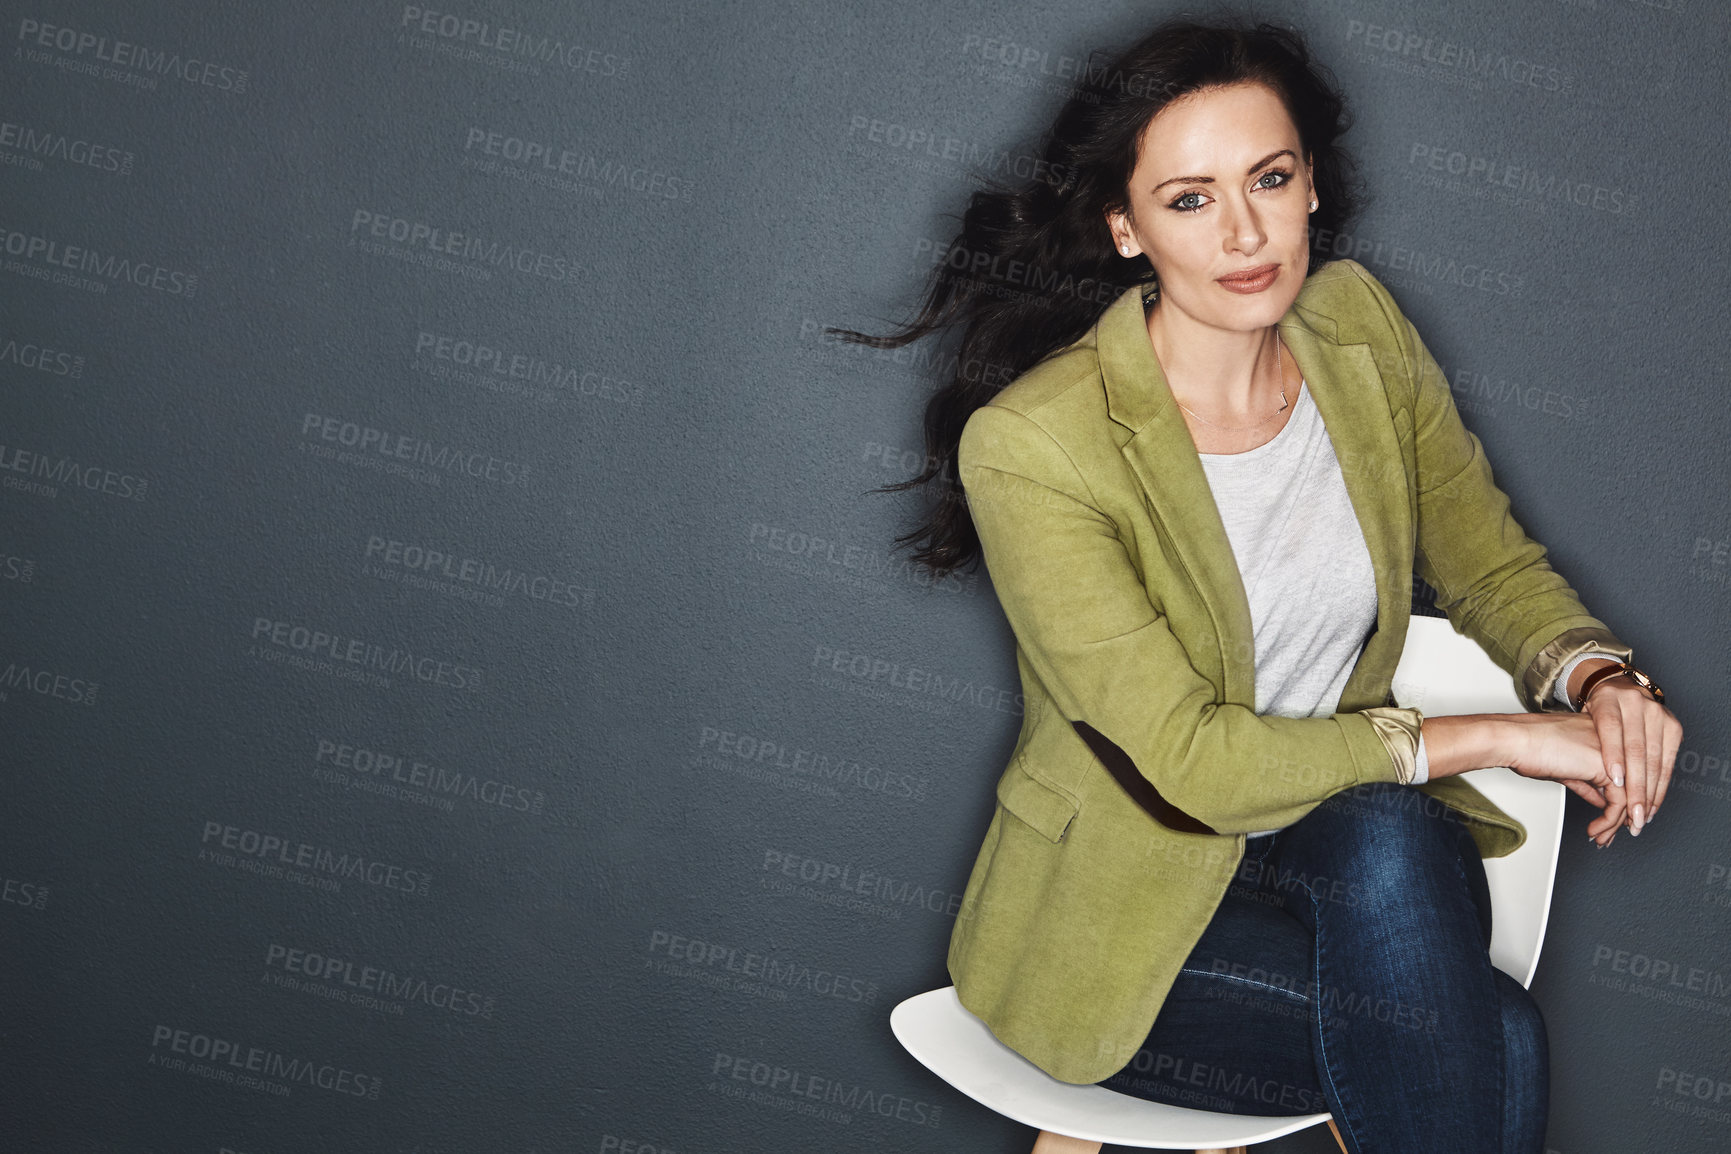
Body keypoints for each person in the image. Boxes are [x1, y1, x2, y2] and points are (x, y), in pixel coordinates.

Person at [833, 16, 1683, 1154]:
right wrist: (1511, 737)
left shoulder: (1360, 329)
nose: (1244, 232)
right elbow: (1190, 757)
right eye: (1189, 200)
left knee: (1392, 832)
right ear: (1126, 228)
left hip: (1329, 837)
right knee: (1494, 1036)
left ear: (1310, 185)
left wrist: (1596, 674)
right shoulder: (1034, 444)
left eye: (1268, 179)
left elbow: (1486, 560)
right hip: (1125, 909)